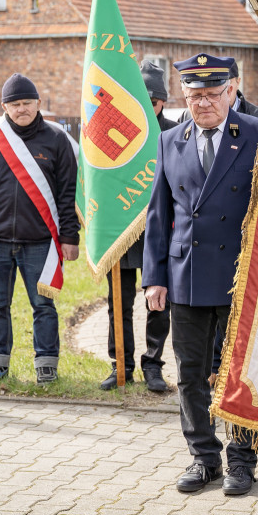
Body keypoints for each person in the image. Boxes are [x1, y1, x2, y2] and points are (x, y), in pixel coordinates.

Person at [142, 53, 258, 496]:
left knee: (240, 373)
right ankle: (203, 457)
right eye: (195, 96)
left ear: (230, 91)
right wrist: (154, 278)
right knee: (190, 371)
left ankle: (242, 461)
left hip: (240, 275)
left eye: (213, 94)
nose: (204, 104)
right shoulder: (170, 139)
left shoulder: (255, 133)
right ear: (183, 96)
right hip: (186, 274)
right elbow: (159, 214)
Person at [0, 73, 80, 385]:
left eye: (27, 103)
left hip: (40, 241)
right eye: (15, 104)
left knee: (43, 304)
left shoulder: (56, 140)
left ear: (38, 103)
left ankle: (46, 364)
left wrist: (69, 237)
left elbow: (68, 193)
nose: (21, 109)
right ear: (4, 106)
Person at [99, 61, 177, 392]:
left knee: (158, 304)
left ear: (163, 102)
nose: (150, 107)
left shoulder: (174, 134)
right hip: (121, 229)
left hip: (159, 233)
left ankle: (153, 365)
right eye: (142, 100)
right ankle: (121, 364)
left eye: (155, 101)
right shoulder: (113, 132)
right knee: (118, 302)